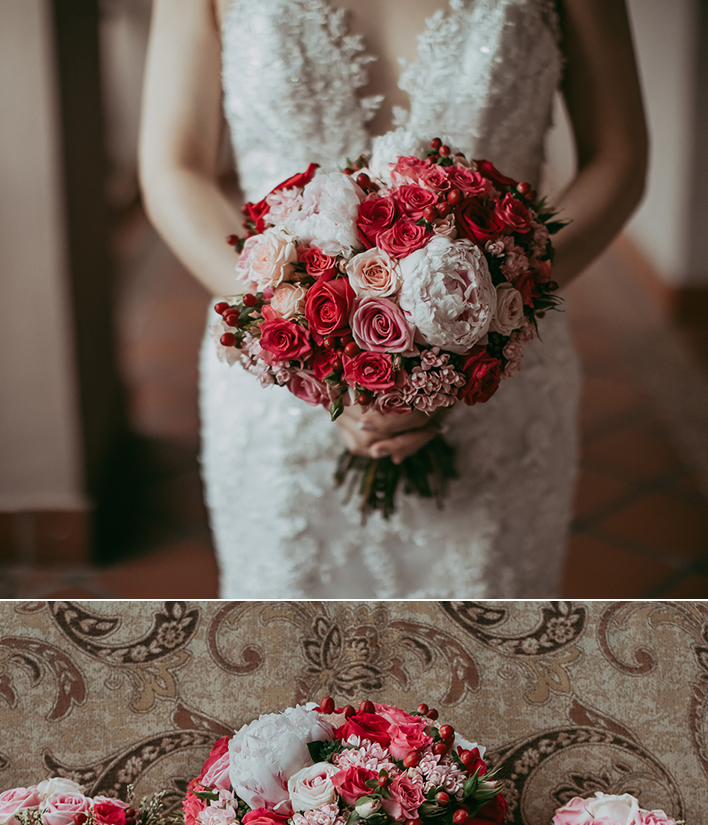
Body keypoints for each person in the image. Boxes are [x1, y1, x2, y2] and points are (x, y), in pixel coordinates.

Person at [138, 0, 647, 597]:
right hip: (278, 383)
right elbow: (176, 165)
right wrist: (303, 337)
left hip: (501, 373)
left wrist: (489, 322)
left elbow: (620, 155)